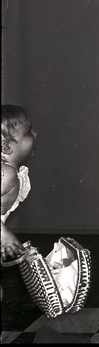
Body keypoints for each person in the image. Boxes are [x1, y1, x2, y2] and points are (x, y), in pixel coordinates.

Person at [2, 105, 37, 262]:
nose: (35, 134)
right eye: (29, 132)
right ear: (7, 146)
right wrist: (3, 234)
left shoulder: (10, 173)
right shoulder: (6, 173)